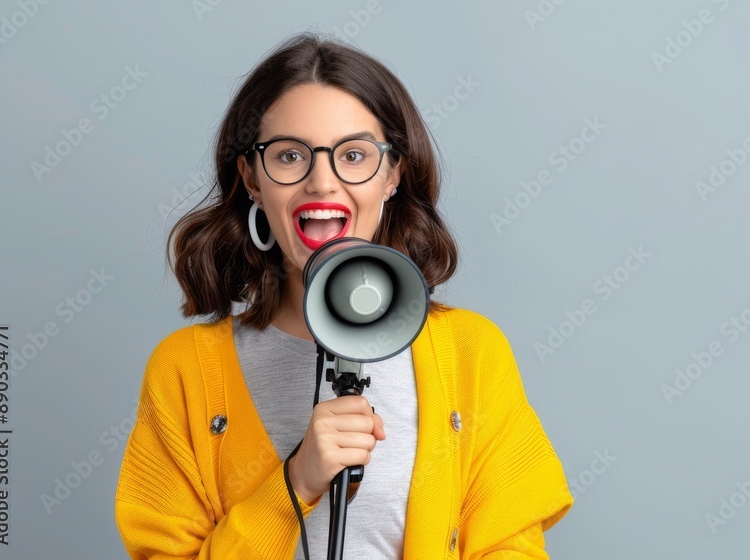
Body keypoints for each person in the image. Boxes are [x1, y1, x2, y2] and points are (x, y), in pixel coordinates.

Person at [114, 33, 573, 559]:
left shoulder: (471, 354)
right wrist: (294, 483)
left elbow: (509, 546)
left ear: (393, 175)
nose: (322, 183)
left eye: (354, 155)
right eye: (289, 156)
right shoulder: (187, 371)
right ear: (253, 180)